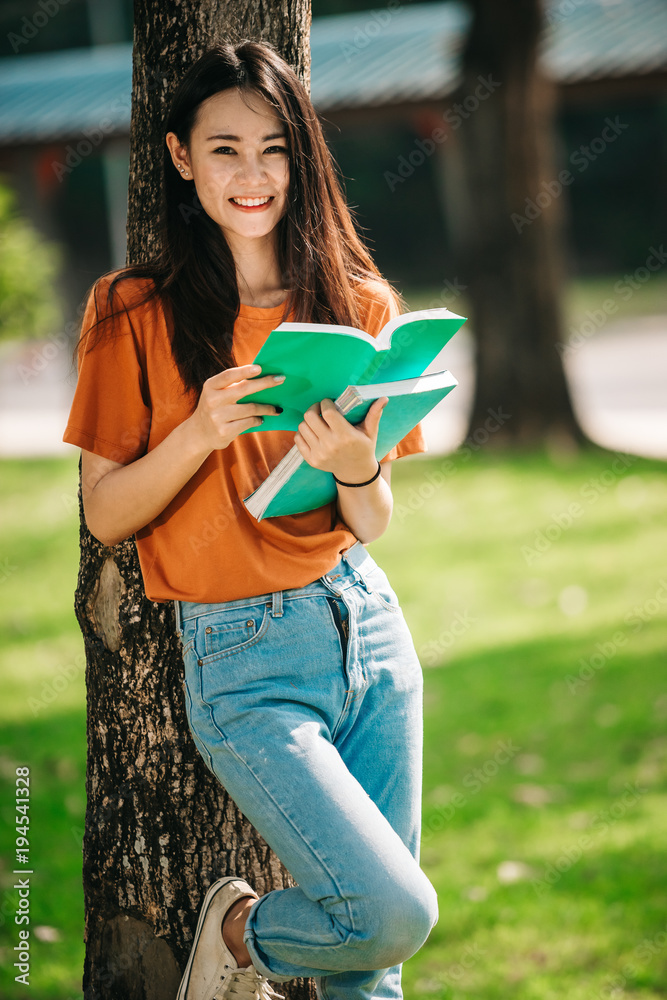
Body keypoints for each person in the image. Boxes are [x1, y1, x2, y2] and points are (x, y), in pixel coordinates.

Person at [63, 39, 438, 1000]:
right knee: (392, 915)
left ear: (300, 157)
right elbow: (107, 514)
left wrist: (356, 465)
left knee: (372, 966)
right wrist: (195, 435)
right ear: (181, 157)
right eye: (225, 149)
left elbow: (373, 517)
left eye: (274, 148)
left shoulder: (355, 303)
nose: (253, 174)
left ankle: (250, 950)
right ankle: (241, 935)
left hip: (368, 629)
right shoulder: (130, 311)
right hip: (242, 660)